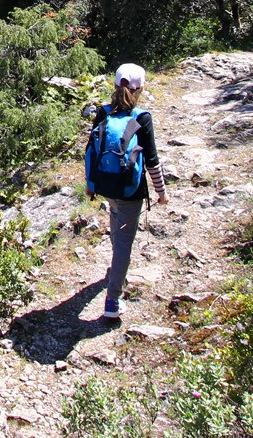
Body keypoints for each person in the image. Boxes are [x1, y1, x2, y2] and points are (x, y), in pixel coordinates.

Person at [87, 63, 168, 320]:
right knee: (124, 241)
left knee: (115, 219)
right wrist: (161, 192)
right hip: (131, 190)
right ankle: (113, 299)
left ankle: (115, 271)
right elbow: (152, 160)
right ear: (140, 88)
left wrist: (91, 185)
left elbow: (90, 152)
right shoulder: (141, 117)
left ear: (114, 85)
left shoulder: (104, 112)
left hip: (105, 185)